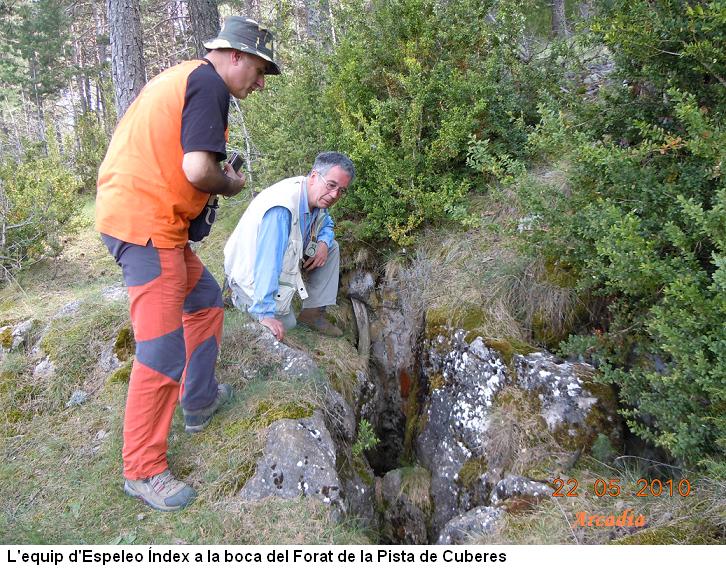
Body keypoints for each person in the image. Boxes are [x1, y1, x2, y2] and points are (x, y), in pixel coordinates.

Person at [95, 17, 280, 512]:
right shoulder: (207, 82)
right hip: (146, 228)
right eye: (261, 71)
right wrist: (231, 185)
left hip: (152, 223)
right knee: (160, 353)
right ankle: (143, 469)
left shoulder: (185, 78)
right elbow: (198, 169)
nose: (260, 84)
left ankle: (198, 401)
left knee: (204, 300)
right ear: (235, 56)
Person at [224, 152, 355, 342]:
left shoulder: (314, 194)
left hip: (278, 258)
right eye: (332, 185)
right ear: (313, 177)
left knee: (332, 246)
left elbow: (326, 222)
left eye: (341, 190)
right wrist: (265, 314)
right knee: (288, 325)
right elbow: (267, 262)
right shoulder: (282, 209)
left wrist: (323, 242)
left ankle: (312, 314)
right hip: (250, 273)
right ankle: (237, 298)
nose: (335, 195)